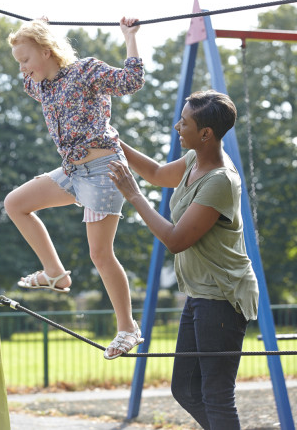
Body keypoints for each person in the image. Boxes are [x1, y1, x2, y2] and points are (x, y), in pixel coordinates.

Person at [107, 90, 259, 429]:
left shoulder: (220, 180)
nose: (177, 126)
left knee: (216, 396)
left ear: (205, 133)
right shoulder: (194, 160)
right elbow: (159, 173)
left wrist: (133, 195)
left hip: (223, 296)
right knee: (185, 389)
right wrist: (113, 140)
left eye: (185, 122)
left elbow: (176, 240)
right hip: (200, 294)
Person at [4, 17, 145, 360]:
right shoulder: (40, 85)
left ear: (49, 52)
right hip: (72, 171)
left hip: (102, 171)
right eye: (18, 62)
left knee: (100, 254)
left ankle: (128, 328)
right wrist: (38, 27)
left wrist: (130, 38)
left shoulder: (86, 71)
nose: (22, 68)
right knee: (15, 203)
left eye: (25, 60)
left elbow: (131, 81)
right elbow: (31, 71)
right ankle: (55, 273)